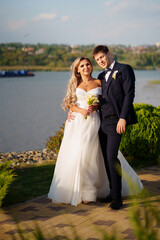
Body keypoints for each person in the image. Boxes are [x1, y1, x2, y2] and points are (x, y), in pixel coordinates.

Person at [48, 56, 143, 207]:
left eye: (88, 64)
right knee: (78, 154)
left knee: (92, 155)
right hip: (77, 123)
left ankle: (91, 192)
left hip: (94, 123)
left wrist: (95, 107)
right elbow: (69, 104)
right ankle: (76, 190)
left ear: (91, 66)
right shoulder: (74, 83)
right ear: (77, 70)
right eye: (82, 66)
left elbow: (103, 102)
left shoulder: (99, 81)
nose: (85, 67)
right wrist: (80, 110)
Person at [92, 45, 138, 209]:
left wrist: (123, 118)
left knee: (112, 157)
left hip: (116, 121)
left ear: (108, 54)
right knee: (106, 158)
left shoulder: (124, 69)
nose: (101, 61)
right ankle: (112, 191)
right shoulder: (100, 75)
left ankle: (117, 198)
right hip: (102, 122)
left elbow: (129, 94)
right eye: (97, 59)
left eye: (102, 57)